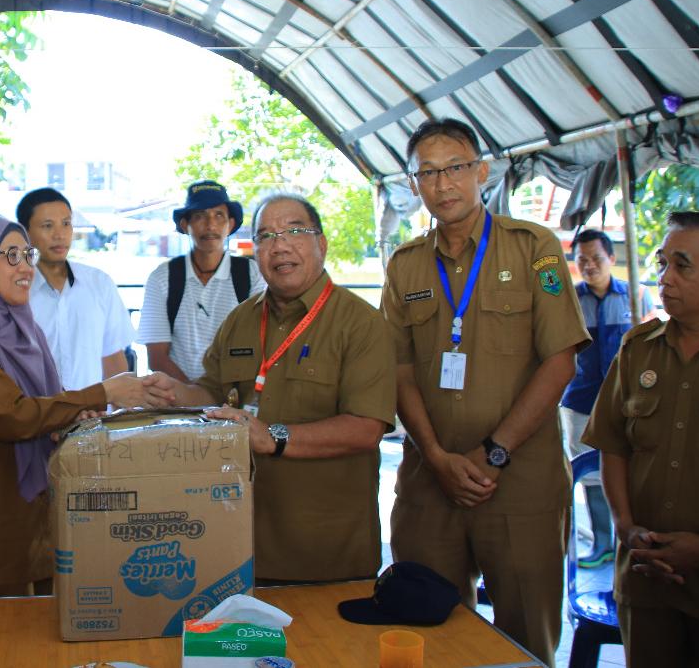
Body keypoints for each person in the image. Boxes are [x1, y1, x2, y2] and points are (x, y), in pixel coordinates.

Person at [380, 118, 589, 667]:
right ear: (414, 184)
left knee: (524, 641)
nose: (443, 183)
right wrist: (436, 456)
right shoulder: (405, 266)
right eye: (428, 173)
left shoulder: (533, 248)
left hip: (519, 484)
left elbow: (561, 361)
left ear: (482, 171)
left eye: (455, 167)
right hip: (430, 485)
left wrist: (493, 452)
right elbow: (398, 370)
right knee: (426, 635)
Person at [145, 193, 397, 582]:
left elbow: (366, 429)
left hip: (326, 548)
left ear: (321, 243)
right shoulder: (240, 320)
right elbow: (212, 390)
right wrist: (171, 392)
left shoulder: (360, 323)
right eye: (265, 236)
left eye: (294, 231)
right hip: (243, 543)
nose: (279, 245)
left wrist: (272, 437)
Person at [0, 217, 157, 598]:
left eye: (27, 255)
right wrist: (101, 393)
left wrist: (75, 413)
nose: (25, 267)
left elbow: (45, 400)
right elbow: (13, 415)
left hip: (32, 515)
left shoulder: (22, 328)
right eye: (10, 256)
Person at [583, 211, 699, 666]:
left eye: (682, 266)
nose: (664, 277)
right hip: (644, 577)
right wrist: (626, 526)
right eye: (662, 263)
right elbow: (613, 446)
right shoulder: (638, 349)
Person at [560, 228, 655, 569]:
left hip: (627, 402)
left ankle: (629, 541)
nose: (589, 265)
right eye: (581, 259)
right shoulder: (570, 300)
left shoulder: (635, 297)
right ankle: (602, 543)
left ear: (611, 259)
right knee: (588, 473)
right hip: (581, 401)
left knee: (632, 469)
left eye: (596, 258)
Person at [138, 180, 265, 382]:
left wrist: (220, 394)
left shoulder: (251, 274)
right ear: (185, 225)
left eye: (219, 215)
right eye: (199, 216)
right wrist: (192, 394)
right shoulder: (163, 278)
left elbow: (260, 345)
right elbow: (157, 358)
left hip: (234, 392)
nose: (210, 225)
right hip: (176, 396)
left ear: (230, 225)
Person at [18, 188, 134, 389]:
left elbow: (113, 358)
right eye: (47, 226)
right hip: (36, 408)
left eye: (66, 223)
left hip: (95, 408)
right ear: (23, 232)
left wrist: (123, 405)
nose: (59, 235)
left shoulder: (99, 283)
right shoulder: (15, 289)